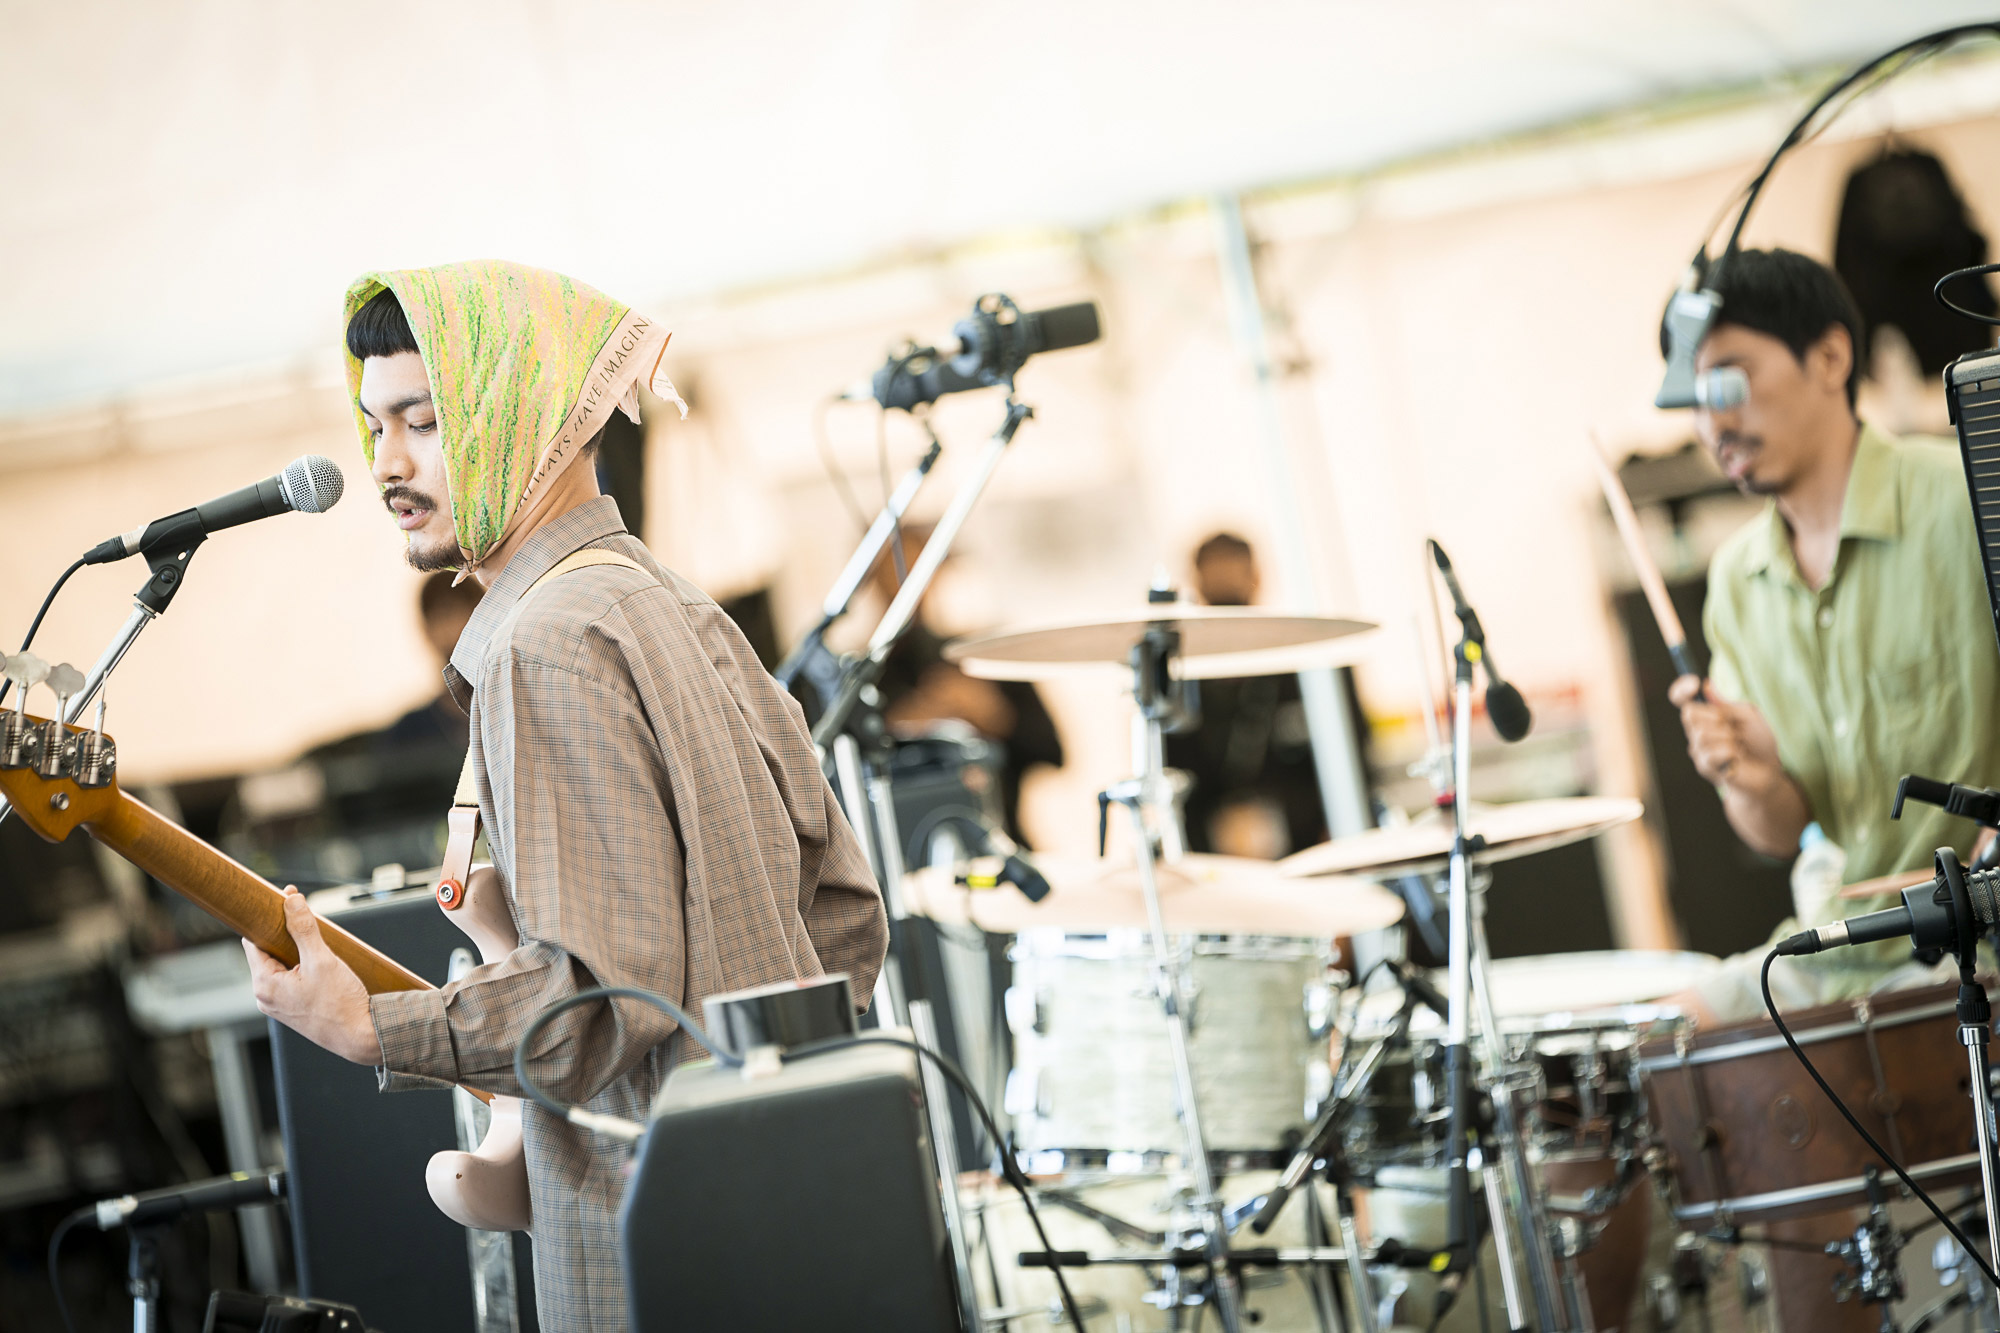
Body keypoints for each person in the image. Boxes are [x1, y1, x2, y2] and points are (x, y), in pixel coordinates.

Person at [241, 261, 888, 1331]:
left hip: (655, 1257)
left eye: (424, 422)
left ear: (523, 419)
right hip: (797, 1221)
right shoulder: (672, 601)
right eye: (375, 425)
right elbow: (850, 913)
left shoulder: (542, 646)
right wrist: (765, 1100)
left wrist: (369, 1027)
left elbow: (598, 997)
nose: (386, 463)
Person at [1663, 247, 2000, 1331]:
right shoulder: (1734, 581)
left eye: (1729, 379)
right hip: (1837, 944)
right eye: (1690, 396)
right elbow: (1776, 830)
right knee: (1666, 1040)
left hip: (1980, 931)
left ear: (1827, 357)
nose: (1710, 419)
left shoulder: (1965, 494)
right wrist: (1749, 778)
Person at [1166, 532, 1325, 859]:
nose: (1226, 583)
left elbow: (1349, 751)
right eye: (1216, 577)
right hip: (1219, 858)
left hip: (1310, 844)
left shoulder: (1306, 661)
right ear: (1197, 584)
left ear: (1257, 577)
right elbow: (1174, 779)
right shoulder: (1181, 680)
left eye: (1234, 574)